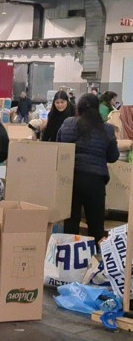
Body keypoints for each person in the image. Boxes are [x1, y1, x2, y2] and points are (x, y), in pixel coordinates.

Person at [57, 94, 119, 244]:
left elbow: (58, 147)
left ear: (79, 107)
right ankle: (96, 261)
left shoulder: (68, 123)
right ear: (97, 108)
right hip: (95, 181)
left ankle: (69, 260)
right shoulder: (107, 129)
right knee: (96, 226)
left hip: (70, 179)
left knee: (71, 223)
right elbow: (113, 157)